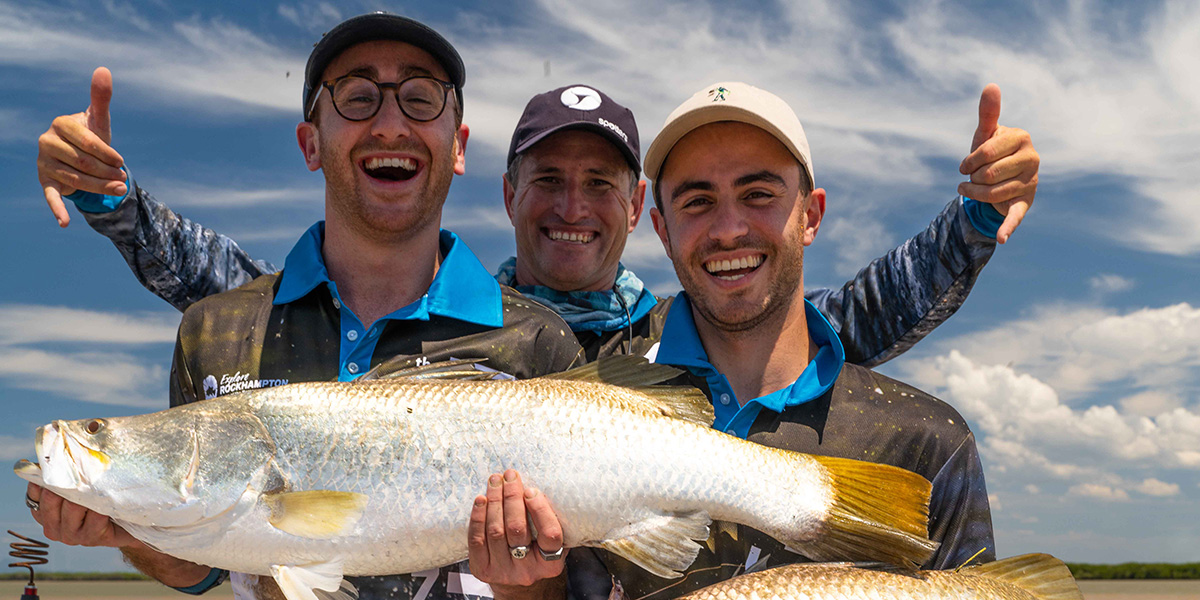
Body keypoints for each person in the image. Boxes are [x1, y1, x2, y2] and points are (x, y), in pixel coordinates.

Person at [34, 42, 1036, 600]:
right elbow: (254, 318)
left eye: (601, 183)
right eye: (548, 180)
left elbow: (818, 326)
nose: (573, 206)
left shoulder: (622, 346)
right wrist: (125, 214)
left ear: (635, 209)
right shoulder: (518, 335)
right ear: (504, 191)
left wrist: (973, 222)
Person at [25, 12, 586, 600]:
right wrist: (126, 530)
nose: (391, 125)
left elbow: (576, 583)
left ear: (458, 147)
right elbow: (207, 563)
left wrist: (526, 579)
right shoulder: (214, 332)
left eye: (421, 98)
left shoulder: (537, 340)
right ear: (310, 142)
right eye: (357, 97)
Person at [570, 82, 1000, 600]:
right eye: (698, 201)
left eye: (758, 195)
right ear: (662, 230)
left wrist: (973, 221)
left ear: (810, 215)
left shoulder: (930, 441)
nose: (728, 229)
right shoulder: (585, 422)